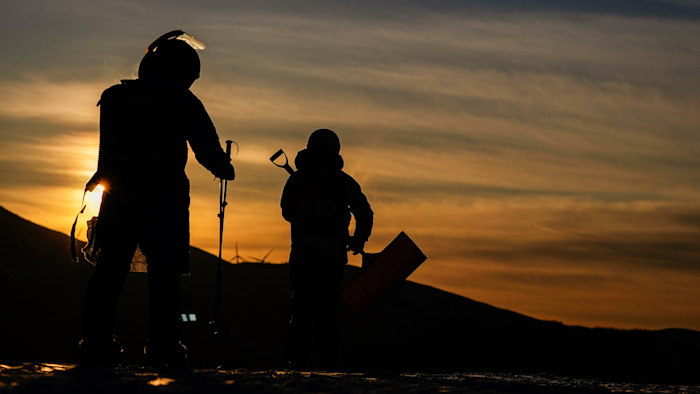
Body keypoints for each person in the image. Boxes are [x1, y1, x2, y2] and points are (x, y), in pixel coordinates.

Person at [79, 31, 235, 367]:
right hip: (164, 200)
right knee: (164, 278)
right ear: (186, 72)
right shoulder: (183, 101)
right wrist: (225, 168)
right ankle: (163, 347)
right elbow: (208, 151)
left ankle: (95, 343)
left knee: (109, 274)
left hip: (117, 197)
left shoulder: (116, 96)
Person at [280, 129, 373, 370]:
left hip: (301, 256)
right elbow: (365, 214)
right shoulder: (345, 183)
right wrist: (358, 240)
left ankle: (295, 364)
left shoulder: (295, 180)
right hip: (332, 260)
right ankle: (327, 367)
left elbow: (286, 213)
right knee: (326, 313)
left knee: (300, 308)